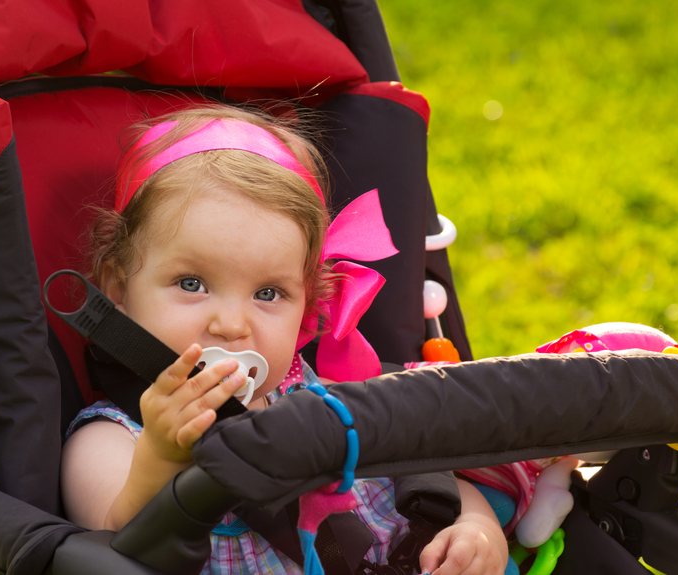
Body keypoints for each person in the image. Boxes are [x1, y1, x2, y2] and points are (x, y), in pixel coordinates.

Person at [60, 103, 509, 575]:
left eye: (268, 293)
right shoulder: (111, 437)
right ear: (117, 289)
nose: (231, 325)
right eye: (191, 283)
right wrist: (162, 458)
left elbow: (431, 477)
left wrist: (476, 529)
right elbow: (116, 545)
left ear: (308, 309)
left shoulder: (323, 396)